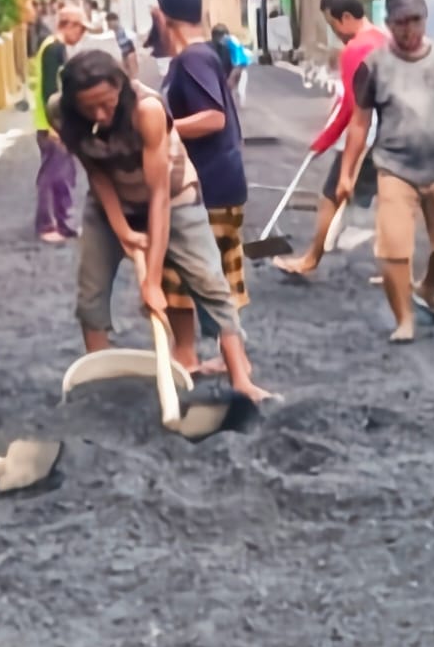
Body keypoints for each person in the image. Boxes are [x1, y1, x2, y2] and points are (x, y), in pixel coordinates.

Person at [49, 49, 269, 402]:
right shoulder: (60, 111)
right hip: (110, 201)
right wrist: (121, 229)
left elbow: (160, 197)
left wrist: (152, 281)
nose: (101, 115)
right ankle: (98, 379)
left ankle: (241, 380)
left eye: (107, 104)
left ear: (120, 87)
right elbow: (96, 173)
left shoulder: (147, 110)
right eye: (89, 109)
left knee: (211, 283)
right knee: (91, 291)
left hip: (174, 198)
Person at [340, 0, 434, 341]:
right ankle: (404, 319)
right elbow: (359, 123)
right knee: (394, 247)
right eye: (400, 23)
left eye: (415, 21)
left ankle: (428, 288)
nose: (409, 30)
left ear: (425, 19)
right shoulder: (373, 66)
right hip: (394, 167)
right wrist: (346, 173)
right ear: (388, 23)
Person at [156, 0, 250, 375]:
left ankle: (199, 357)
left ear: (166, 20)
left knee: (189, 274)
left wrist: (159, 128)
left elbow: (213, 117)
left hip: (207, 186)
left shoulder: (192, 59)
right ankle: (202, 357)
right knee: (208, 275)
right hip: (220, 180)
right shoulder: (203, 54)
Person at [272, 0, 389, 277]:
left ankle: (311, 259)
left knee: (331, 195)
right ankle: (400, 270)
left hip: (370, 136)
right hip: (394, 133)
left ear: (347, 18)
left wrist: (323, 141)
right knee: (394, 200)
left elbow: (352, 106)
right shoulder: (385, 41)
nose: (335, 32)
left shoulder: (356, 49)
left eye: (333, 23)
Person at [30, 4, 88, 243]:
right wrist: (55, 125)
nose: (82, 35)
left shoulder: (57, 47)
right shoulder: (53, 48)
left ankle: (64, 223)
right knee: (52, 176)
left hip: (55, 122)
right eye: (81, 29)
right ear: (69, 25)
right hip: (50, 124)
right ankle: (47, 225)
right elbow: (49, 89)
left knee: (64, 175)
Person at [210, 23, 253, 107]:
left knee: (236, 91)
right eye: (217, 36)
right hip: (225, 72)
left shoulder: (232, 45)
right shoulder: (214, 47)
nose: (219, 39)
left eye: (221, 36)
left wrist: (233, 75)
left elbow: (240, 62)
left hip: (235, 69)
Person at [106, 11, 139, 80]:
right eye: (109, 22)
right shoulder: (112, 33)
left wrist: (134, 52)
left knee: (132, 74)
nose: (110, 24)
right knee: (125, 73)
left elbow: (133, 39)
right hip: (122, 55)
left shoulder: (123, 31)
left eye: (111, 21)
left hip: (129, 53)